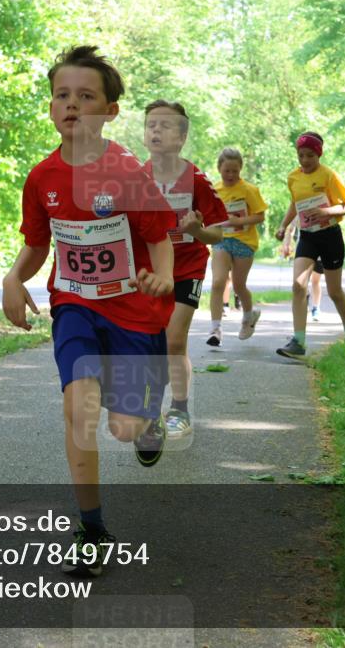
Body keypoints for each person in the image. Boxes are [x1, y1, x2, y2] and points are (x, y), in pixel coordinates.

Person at [2, 46, 176, 579]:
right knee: (78, 408)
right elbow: (37, 244)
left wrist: (164, 275)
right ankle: (92, 528)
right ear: (51, 107)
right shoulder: (41, 178)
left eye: (86, 96)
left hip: (133, 311)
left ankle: (149, 423)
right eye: (63, 95)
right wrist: (14, 278)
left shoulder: (126, 172)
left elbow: (158, 235)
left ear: (109, 111)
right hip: (74, 304)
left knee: (124, 428)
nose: (72, 104)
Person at [142, 100, 227, 441]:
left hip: (187, 266)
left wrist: (196, 231)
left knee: (174, 340)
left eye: (165, 125)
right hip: (150, 272)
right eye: (150, 124)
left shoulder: (196, 180)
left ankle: (179, 409)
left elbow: (218, 232)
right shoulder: (136, 177)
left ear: (181, 137)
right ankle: (148, 411)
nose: (156, 130)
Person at [274, 132, 345, 360]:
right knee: (298, 284)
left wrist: (324, 211)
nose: (304, 160)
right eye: (301, 155)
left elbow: (343, 207)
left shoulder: (328, 176)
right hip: (308, 237)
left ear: (318, 154)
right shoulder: (293, 177)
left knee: (334, 292)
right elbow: (295, 203)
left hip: (330, 236)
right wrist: (283, 226)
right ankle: (299, 341)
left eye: (310, 155)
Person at [206, 148, 267, 348]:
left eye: (235, 171)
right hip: (222, 240)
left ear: (240, 169)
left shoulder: (248, 190)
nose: (231, 175)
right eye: (227, 171)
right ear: (219, 169)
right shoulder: (214, 191)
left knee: (239, 286)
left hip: (244, 242)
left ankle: (248, 317)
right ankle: (215, 329)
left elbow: (260, 216)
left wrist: (237, 220)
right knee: (218, 282)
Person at [282, 224, 324, 321]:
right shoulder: (299, 210)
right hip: (304, 251)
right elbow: (290, 229)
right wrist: (287, 244)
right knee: (301, 282)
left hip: (321, 250)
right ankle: (305, 300)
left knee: (315, 281)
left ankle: (316, 307)